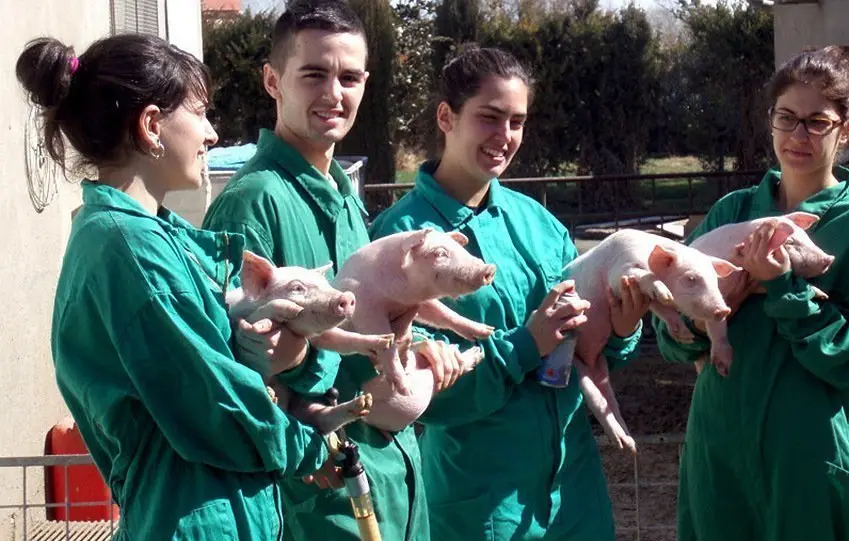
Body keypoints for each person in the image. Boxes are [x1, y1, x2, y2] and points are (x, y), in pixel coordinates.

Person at [21, 33, 331, 540]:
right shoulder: (129, 247)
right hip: (194, 520)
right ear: (150, 126)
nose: (212, 134)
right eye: (201, 113)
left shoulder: (141, 238)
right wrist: (308, 445)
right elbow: (213, 402)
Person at [202, 2, 464, 539]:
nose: (334, 94)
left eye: (348, 77)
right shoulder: (253, 203)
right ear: (273, 81)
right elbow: (232, 371)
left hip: (394, 481)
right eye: (314, 74)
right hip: (317, 499)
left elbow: (369, 322)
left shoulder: (345, 197)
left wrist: (414, 350)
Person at [368, 45, 650, 541]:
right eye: (490, 118)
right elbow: (411, 393)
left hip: (574, 494)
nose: (505, 137)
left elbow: (586, 351)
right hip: (483, 502)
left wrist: (622, 331)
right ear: (446, 117)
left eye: (517, 121)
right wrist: (525, 345)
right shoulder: (400, 241)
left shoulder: (539, 222)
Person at [654, 45, 849, 541]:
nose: (798, 135)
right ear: (770, 121)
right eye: (787, 118)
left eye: (817, 122)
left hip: (805, 451)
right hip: (717, 447)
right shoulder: (732, 211)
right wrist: (700, 320)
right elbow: (673, 336)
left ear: (845, 131)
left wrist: (786, 290)